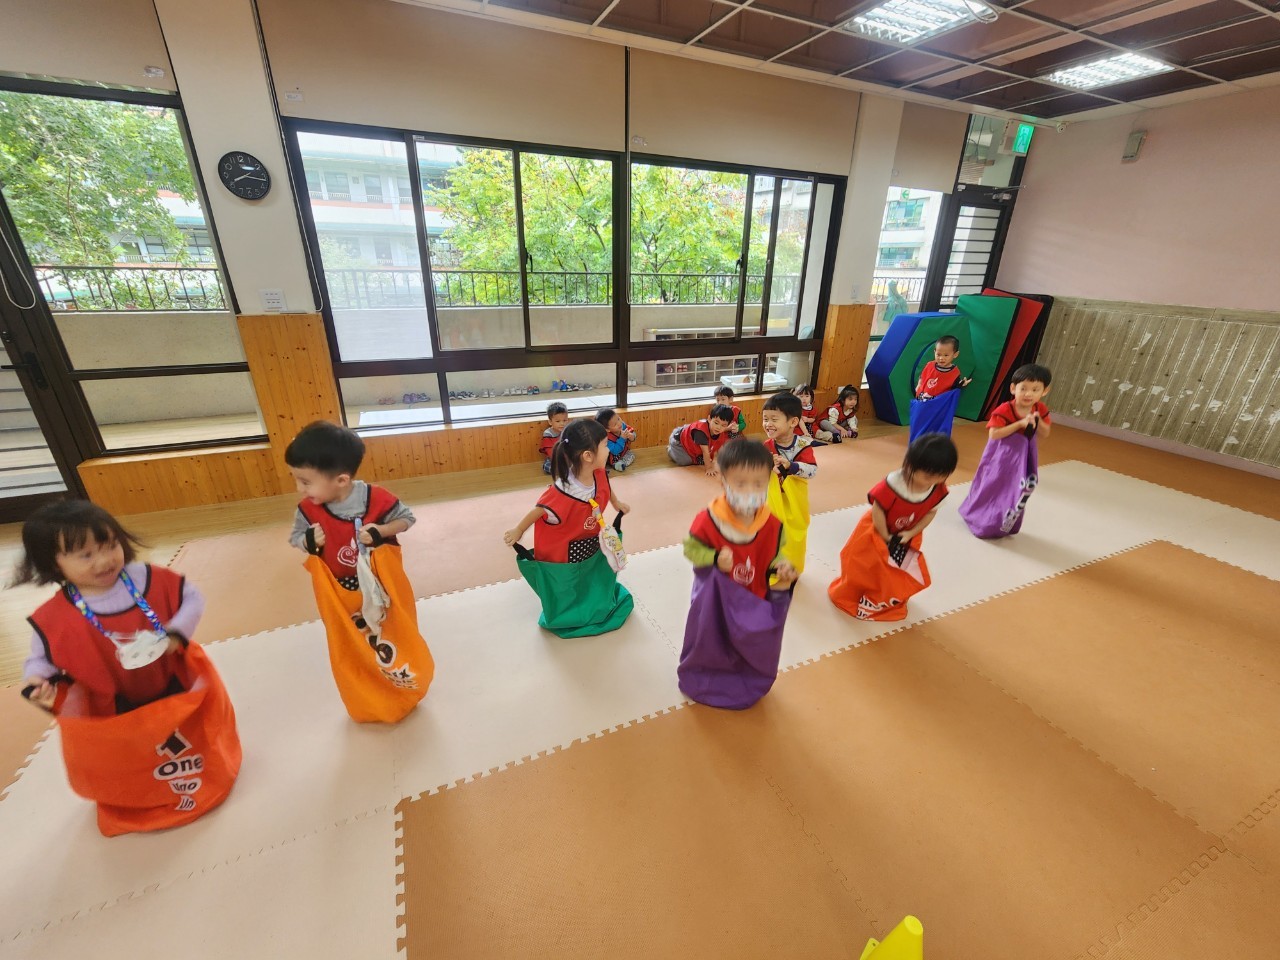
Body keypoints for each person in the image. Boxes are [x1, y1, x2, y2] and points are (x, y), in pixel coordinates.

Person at [16, 500, 240, 836]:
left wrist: (176, 632)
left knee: (186, 735)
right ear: (53, 563)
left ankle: (197, 778)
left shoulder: (146, 579)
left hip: (170, 681)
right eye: (86, 555)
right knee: (129, 755)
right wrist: (36, 681)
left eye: (110, 545)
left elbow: (192, 598)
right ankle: (142, 798)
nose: (104, 560)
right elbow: (40, 658)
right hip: (112, 701)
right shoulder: (54, 617)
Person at [287, 420, 434, 723]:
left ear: (341, 480)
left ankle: (402, 687)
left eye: (305, 481)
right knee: (354, 647)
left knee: (392, 637)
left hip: (382, 588)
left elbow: (407, 519)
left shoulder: (376, 499)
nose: (299, 489)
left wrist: (381, 531)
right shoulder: (308, 510)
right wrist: (308, 541)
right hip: (340, 594)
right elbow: (295, 538)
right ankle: (369, 697)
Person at [678, 437, 797, 710]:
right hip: (714, 601)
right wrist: (713, 558)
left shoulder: (772, 524)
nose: (750, 491)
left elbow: (776, 554)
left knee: (749, 642)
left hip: (751, 597)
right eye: (741, 484)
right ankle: (706, 676)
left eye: (759, 484)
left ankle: (745, 677)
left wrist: (782, 567)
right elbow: (691, 549)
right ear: (724, 482)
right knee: (711, 639)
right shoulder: (709, 519)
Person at [504, 419, 634, 637]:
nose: (609, 449)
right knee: (570, 582)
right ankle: (571, 612)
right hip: (565, 552)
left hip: (590, 538)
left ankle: (589, 602)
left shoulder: (598, 473)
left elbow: (606, 487)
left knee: (590, 572)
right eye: (605, 445)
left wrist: (616, 503)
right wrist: (519, 530)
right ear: (588, 456)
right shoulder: (563, 490)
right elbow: (540, 510)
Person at [828, 433, 958, 622]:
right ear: (911, 465)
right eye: (928, 475)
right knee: (861, 563)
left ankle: (883, 597)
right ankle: (855, 592)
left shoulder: (937, 489)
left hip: (907, 536)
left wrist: (911, 533)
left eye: (941, 476)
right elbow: (878, 510)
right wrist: (884, 535)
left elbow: (930, 512)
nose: (933, 481)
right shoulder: (894, 483)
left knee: (895, 572)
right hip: (876, 529)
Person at [959, 364, 1052, 539]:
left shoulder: (1040, 409)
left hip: (1023, 455)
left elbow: (1045, 433)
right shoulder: (1005, 409)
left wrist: (1038, 421)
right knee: (991, 484)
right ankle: (979, 517)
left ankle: (1005, 522)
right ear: (1013, 388)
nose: (1028, 394)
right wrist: (1019, 424)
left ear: (1044, 391)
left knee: (1017, 488)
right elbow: (994, 434)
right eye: (1023, 388)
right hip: (1000, 455)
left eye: (1035, 389)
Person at [761, 391, 818, 575]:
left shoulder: (802, 446)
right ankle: (771, 565)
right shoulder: (767, 446)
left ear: (793, 422)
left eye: (774, 419)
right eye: (765, 419)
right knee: (770, 533)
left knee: (794, 533)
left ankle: (792, 566)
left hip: (794, 501)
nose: (768, 424)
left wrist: (791, 466)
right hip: (772, 499)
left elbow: (812, 470)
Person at [909, 336, 972, 442]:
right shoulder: (930, 365)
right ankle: (918, 443)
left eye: (946, 355)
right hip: (923, 404)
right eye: (938, 354)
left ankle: (934, 443)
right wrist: (918, 388)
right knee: (919, 426)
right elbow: (922, 379)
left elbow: (953, 391)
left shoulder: (955, 373)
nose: (941, 358)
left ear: (955, 354)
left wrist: (961, 384)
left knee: (935, 428)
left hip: (937, 408)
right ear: (934, 352)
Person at [667, 405, 735, 476]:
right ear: (709, 419)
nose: (718, 427)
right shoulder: (701, 432)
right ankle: (670, 451)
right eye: (716, 423)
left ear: (727, 425)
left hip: (691, 442)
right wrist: (709, 468)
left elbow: (720, 449)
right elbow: (705, 452)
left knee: (703, 458)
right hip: (679, 441)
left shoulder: (719, 431)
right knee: (685, 461)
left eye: (723, 425)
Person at [595, 407, 637, 472]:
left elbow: (632, 432)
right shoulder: (607, 438)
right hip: (612, 457)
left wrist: (632, 436)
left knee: (631, 455)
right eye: (615, 424)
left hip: (624, 452)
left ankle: (620, 463)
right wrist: (622, 439)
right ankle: (616, 465)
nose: (619, 423)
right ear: (607, 430)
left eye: (618, 418)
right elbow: (615, 451)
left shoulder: (622, 425)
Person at [539, 402, 569, 475]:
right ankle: (564, 470)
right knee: (547, 466)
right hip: (554, 458)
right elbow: (549, 451)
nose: (562, 423)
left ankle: (567, 469)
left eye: (564, 420)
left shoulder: (568, 430)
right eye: (558, 421)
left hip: (567, 457)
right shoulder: (548, 434)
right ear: (550, 422)